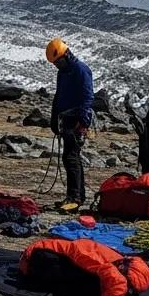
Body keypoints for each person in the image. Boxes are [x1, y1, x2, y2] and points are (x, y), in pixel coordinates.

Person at [47, 38, 94, 214]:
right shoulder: (64, 72)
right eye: (55, 63)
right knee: (70, 158)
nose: (57, 65)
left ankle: (75, 198)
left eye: (58, 61)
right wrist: (54, 117)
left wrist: (82, 123)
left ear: (66, 55)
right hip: (65, 119)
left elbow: (87, 97)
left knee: (71, 157)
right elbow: (59, 95)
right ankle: (76, 196)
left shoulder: (81, 70)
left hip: (76, 120)